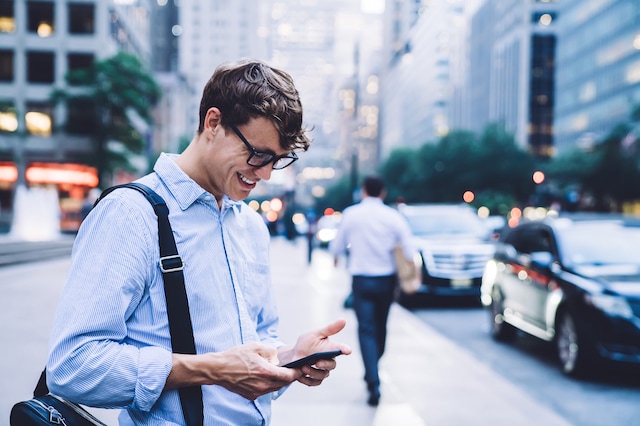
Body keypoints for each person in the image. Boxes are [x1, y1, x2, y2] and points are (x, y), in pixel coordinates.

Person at [46, 59, 351, 425]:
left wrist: (289, 358)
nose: (266, 173)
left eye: (278, 161)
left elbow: (256, 345)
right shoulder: (130, 214)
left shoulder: (251, 227)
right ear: (213, 123)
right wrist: (211, 369)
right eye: (258, 154)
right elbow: (73, 367)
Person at [329, 175, 414, 406]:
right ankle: (373, 371)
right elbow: (408, 248)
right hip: (386, 281)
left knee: (366, 329)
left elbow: (336, 245)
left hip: (361, 280)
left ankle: (372, 377)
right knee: (381, 327)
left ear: (364, 191)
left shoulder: (351, 214)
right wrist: (412, 272)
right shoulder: (393, 216)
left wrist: (336, 257)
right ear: (383, 193)